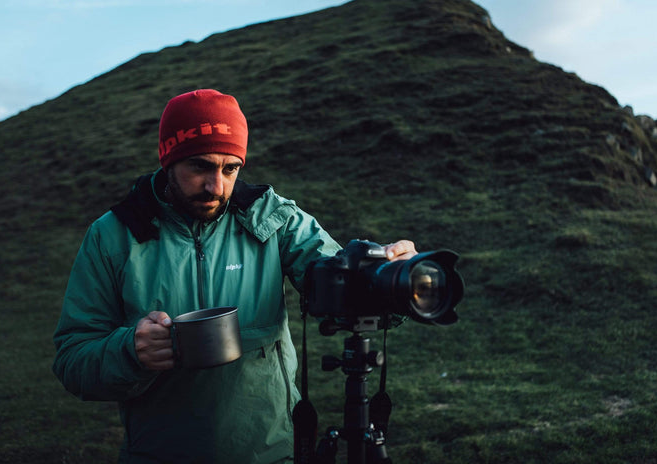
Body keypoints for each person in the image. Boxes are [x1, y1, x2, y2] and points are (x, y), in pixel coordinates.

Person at [52, 89, 416, 464]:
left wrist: (393, 277)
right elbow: (73, 359)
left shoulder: (272, 219)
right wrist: (131, 351)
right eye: (199, 167)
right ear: (168, 160)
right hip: (159, 454)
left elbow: (342, 287)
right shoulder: (114, 235)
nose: (216, 187)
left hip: (271, 453)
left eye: (230, 169)